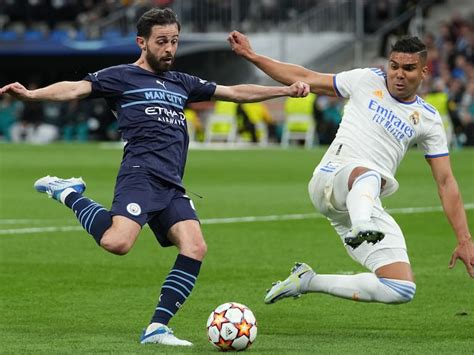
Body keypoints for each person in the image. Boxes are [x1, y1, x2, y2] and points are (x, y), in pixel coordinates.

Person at [0, 8, 309, 347]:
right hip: (140, 174)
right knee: (117, 243)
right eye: (161, 41)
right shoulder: (121, 77)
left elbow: (234, 92)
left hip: (172, 183)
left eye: (174, 41)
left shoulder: (182, 82)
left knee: (195, 247)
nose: (169, 49)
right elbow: (75, 88)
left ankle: (157, 328)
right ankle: (69, 192)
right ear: (142, 42)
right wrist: (32, 94)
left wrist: (283, 91)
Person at [228, 31, 474, 306]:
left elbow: (445, 181)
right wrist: (252, 56)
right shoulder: (365, 80)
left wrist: (464, 238)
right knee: (369, 174)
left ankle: (307, 280)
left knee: (400, 288)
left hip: (364, 201)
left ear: (424, 72)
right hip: (332, 178)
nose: (399, 74)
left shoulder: (428, 119)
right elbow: (306, 77)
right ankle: (361, 225)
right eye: (394, 66)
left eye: (408, 68)